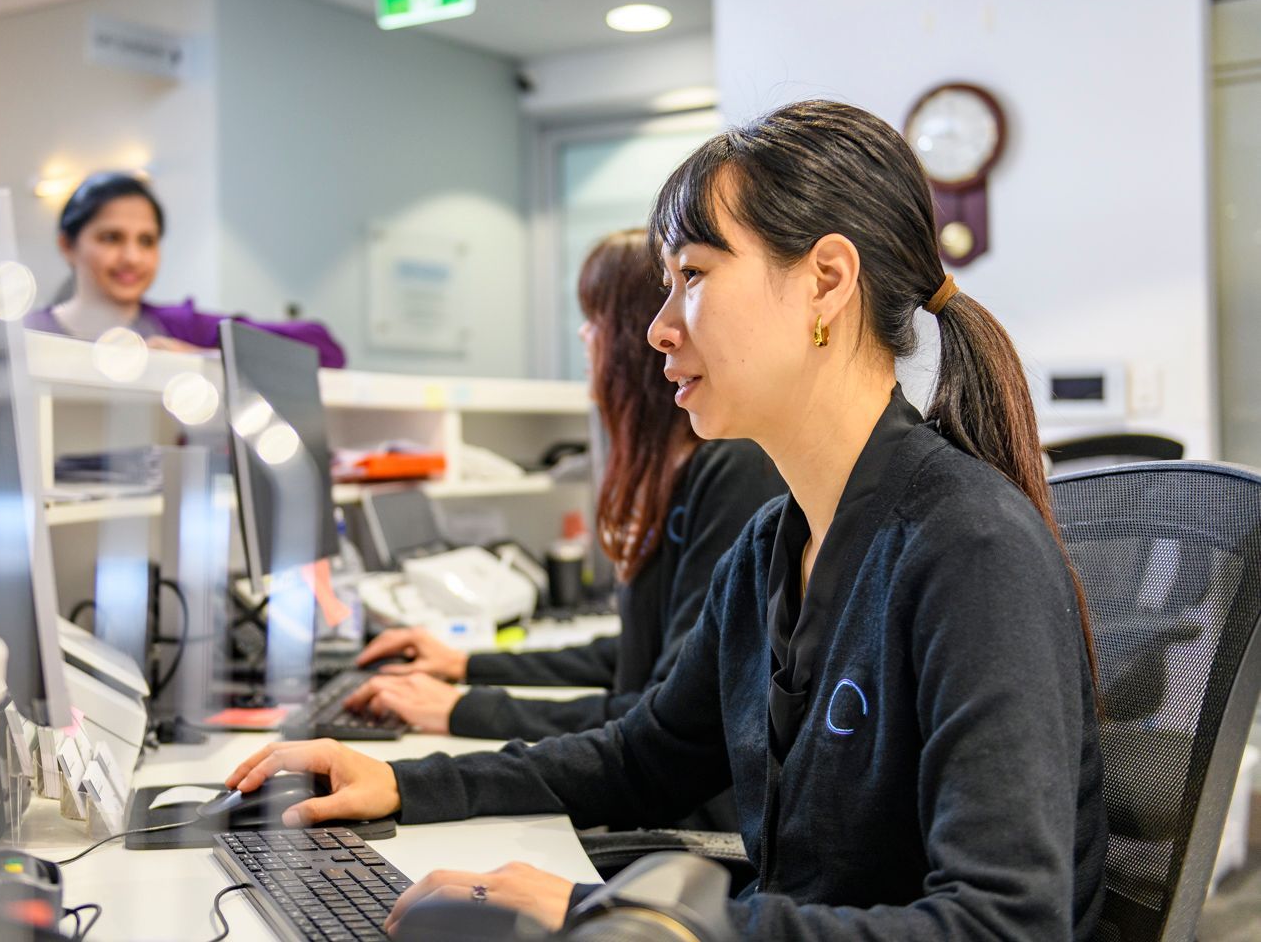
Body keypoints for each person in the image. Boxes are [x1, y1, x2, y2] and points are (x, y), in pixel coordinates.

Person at [224, 101, 1109, 939]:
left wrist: (603, 916)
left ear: (826, 283)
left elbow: (1006, 923)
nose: (656, 328)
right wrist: (406, 781)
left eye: (692, 277)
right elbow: (642, 759)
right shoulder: (775, 544)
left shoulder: (969, 546)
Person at [341, 230, 784, 778]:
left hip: (684, 815)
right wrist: (466, 664)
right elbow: (630, 660)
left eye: (596, 317)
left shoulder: (734, 472)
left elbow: (659, 718)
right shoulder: (679, 472)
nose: (584, 334)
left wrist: (462, 709)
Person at [24, 172, 346, 367]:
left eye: (147, 241)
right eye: (111, 238)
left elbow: (323, 349)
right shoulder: (27, 333)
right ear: (67, 245)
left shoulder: (180, 327)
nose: (132, 257)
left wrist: (201, 356)